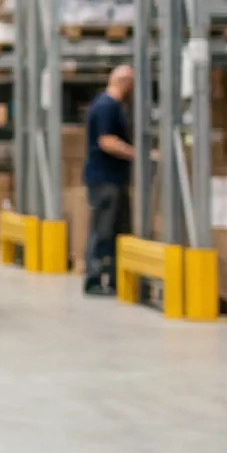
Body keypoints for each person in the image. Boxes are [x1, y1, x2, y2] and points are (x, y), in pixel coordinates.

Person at [83, 65, 137, 296]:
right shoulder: (106, 107)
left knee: (118, 230)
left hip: (114, 178)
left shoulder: (112, 106)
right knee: (103, 230)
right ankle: (94, 279)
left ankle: (115, 279)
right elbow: (107, 141)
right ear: (125, 83)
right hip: (104, 179)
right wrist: (137, 154)